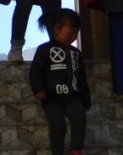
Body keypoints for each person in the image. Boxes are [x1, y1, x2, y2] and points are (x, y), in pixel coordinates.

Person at [29, 8, 91, 155]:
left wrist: (85, 99)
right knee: (58, 126)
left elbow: (81, 77)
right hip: (51, 98)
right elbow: (36, 71)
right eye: (70, 32)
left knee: (79, 118)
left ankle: (76, 150)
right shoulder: (44, 49)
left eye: (76, 33)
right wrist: (38, 89)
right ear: (57, 29)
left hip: (73, 97)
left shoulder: (76, 53)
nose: (73, 36)